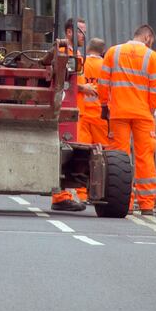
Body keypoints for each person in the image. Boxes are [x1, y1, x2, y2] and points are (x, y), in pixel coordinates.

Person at [96, 24, 156, 215]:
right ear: (148, 38)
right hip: (142, 114)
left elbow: (103, 83)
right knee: (145, 157)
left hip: (118, 113)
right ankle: (147, 204)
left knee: (120, 158)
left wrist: (104, 105)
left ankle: (124, 203)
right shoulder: (152, 57)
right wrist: (150, 110)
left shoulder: (113, 52)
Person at [52, 37, 111, 213]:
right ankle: (97, 192)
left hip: (81, 114)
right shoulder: (104, 66)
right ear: (102, 51)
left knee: (77, 155)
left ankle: (81, 193)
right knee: (100, 155)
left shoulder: (81, 61)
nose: (82, 36)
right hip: (99, 116)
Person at [50, 19, 91, 212]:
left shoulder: (74, 53)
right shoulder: (64, 52)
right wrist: (85, 88)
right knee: (63, 152)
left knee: (69, 152)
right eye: (81, 31)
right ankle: (60, 196)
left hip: (75, 112)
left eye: (84, 32)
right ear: (69, 32)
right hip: (66, 111)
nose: (84, 35)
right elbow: (65, 80)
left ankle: (66, 194)